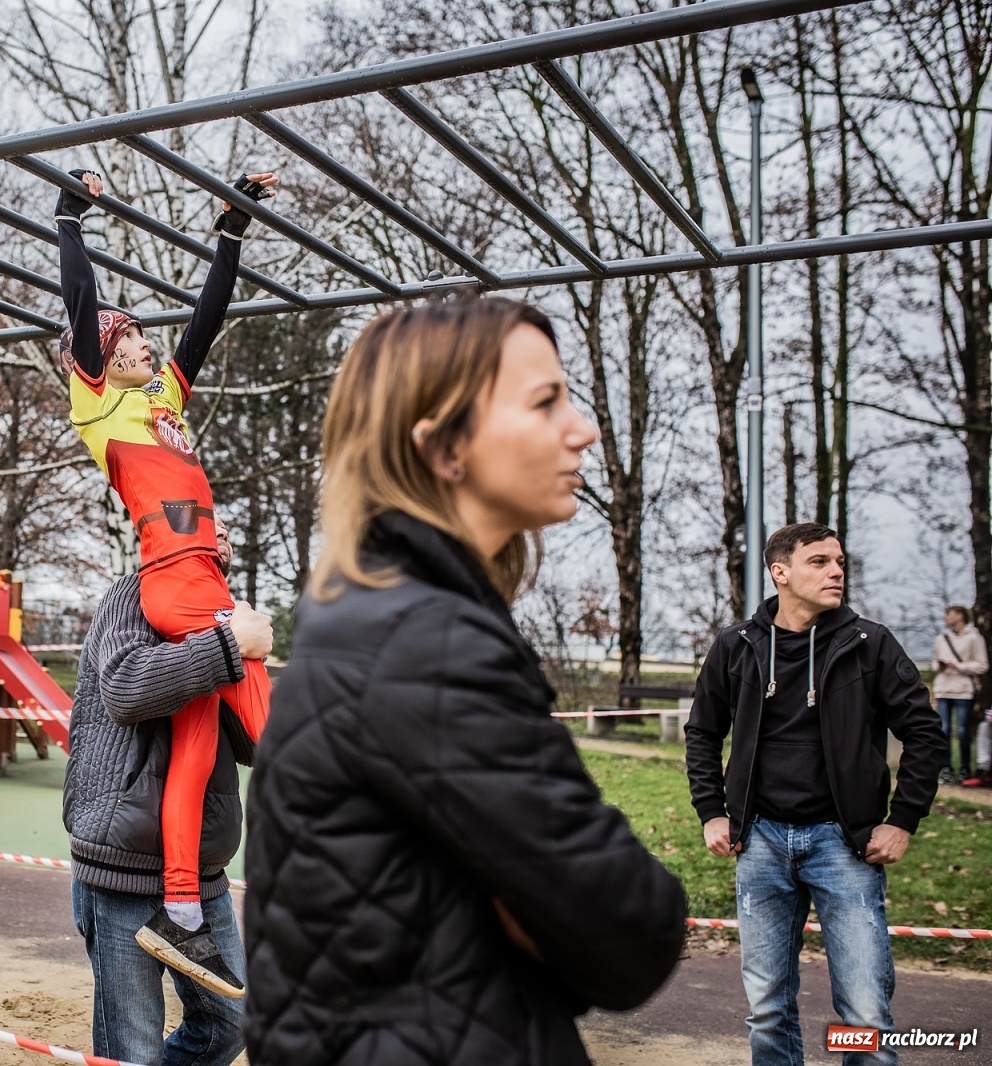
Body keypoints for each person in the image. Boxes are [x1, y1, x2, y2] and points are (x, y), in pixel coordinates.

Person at [242, 299, 688, 1066]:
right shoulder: (427, 645)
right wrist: (542, 919)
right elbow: (633, 932)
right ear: (445, 446)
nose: (582, 429)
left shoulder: (368, 616)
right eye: (545, 402)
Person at [55, 167, 276, 996]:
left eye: (145, 337)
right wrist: (70, 221)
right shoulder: (99, 407)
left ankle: (179, 912)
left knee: (196, 749)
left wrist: (232, 229)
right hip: (180, 583)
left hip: (197, 574)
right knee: (274, 729)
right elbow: (82, 304)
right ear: (101, 358)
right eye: (130, 339)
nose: (146, 344)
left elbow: (206, 324)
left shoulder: (162, 402)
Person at [685, 522, 948, 1066]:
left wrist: (902, 819)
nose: (836, 572)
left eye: (840, 562)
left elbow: (924, 732)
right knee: (767, 1010)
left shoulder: (869, 644)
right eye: (820, 562)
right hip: (759, 842)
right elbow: (703, 732)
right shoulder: (737, 645)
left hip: (844, 845)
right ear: (780, 573)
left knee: (865, 1013)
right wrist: (712, 812)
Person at [65, 515, 271, 1066]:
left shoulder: (225, 611)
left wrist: (253, 669)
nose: (222, 533)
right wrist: (228, 647)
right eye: (209, 522)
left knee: (230, 1023)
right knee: (132, 1050)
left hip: (201, 870)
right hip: (124, 863)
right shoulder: (132, 594)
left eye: (228, 528)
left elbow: (251, 745)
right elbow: (125, 687)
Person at [933, 604, 987, 785]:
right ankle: (946, 768)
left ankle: (965, 768)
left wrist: (958, 666)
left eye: (949, 614)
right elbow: (934, 663)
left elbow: (982, 665)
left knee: (963, 731)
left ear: (960, 616)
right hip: (943, 688)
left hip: (963, 690)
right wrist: (941, 666)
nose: (946, 618)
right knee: (943, 729)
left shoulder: (974, 638)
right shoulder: (942, 639)